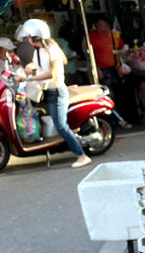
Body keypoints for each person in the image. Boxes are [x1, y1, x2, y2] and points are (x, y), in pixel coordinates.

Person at [17, 18, 91, 168]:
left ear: (37, 36)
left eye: (29, 37)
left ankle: (82, 155)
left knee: (61, 126)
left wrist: (30, 77)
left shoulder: (52, 49)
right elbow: (40, 69)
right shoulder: (39, 50)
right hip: (48, 92)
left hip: (57, 92)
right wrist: (25, 71)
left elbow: (53, 73)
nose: (28, 40)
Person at [87, 16, 123, 87]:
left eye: (105, 25)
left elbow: (122, 49)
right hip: (101, 70)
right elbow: (89, 54)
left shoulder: (115, 35)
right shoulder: (91, 35)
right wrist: (96, 69)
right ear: (96, 25)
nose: (103, 28)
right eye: (100, 25)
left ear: (109, 25)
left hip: (115, 69)